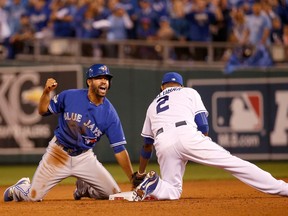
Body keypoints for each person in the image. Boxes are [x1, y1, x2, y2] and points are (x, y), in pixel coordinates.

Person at [132, 72, 288, 201]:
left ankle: (154, 183)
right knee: (233, 163)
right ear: (181, 85)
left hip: (163, 142)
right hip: (187, 133)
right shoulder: (189, 92)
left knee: (172, 190)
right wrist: (197, 145)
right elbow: (203, 125)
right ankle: (283, 188)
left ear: (161, 87)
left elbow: (147, 145)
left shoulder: (152, 105)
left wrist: (140, 172)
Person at [3, 64, 134, 202]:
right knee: (32, 198)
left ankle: (84, 189)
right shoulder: (70, 96)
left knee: (112, 193)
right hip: (58, 154)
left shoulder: (110, 114)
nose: (104, 82)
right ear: (89, 81)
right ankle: (21, 187)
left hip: (84, 157)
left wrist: (132, 178)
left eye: (106, 79)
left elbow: (119, 149)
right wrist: (46, 92)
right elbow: (42, 110)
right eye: (99, 78)